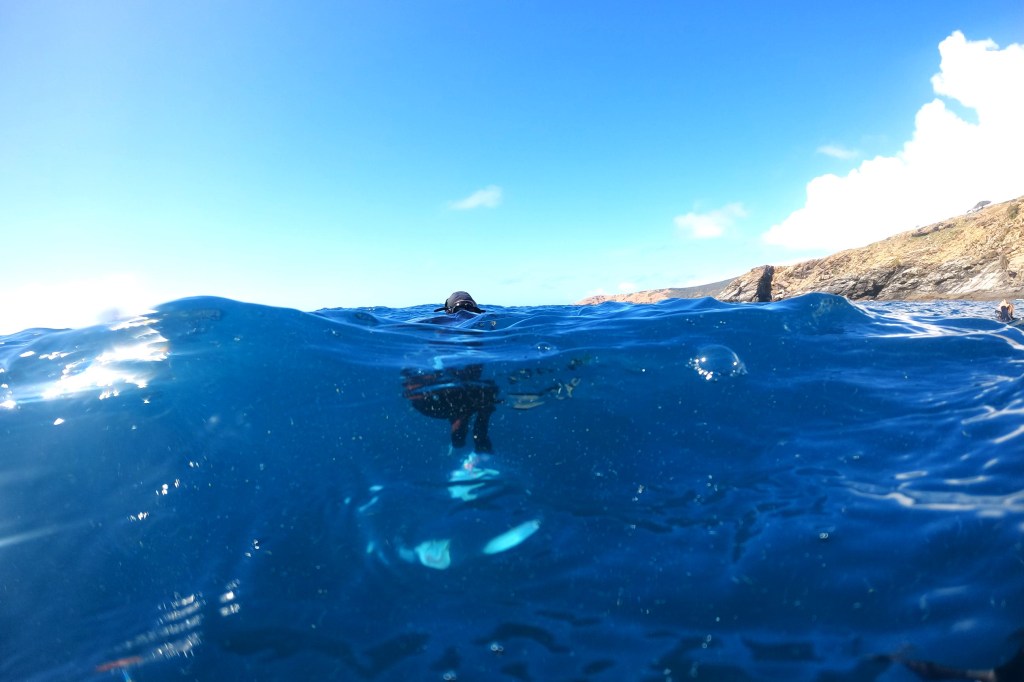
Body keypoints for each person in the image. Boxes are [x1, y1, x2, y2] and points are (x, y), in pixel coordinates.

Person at [402, 291, 499, 453]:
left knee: (469, 394)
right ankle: (479, 445)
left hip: (424, 399)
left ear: (447, 310)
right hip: (438, 396)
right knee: (486, 392)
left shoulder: (438, 322)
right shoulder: (482, 325)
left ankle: (460, 442)